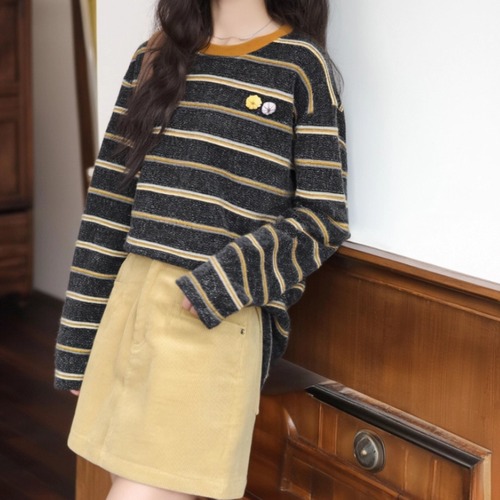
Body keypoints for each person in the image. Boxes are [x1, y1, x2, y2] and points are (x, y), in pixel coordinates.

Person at [54, 0, 350, 498]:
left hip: (211, 321)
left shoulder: (301, 67)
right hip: (130, 309)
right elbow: (108, 208)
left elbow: (324, 218)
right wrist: (77, 344)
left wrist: (222, 282)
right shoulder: (153, 58)